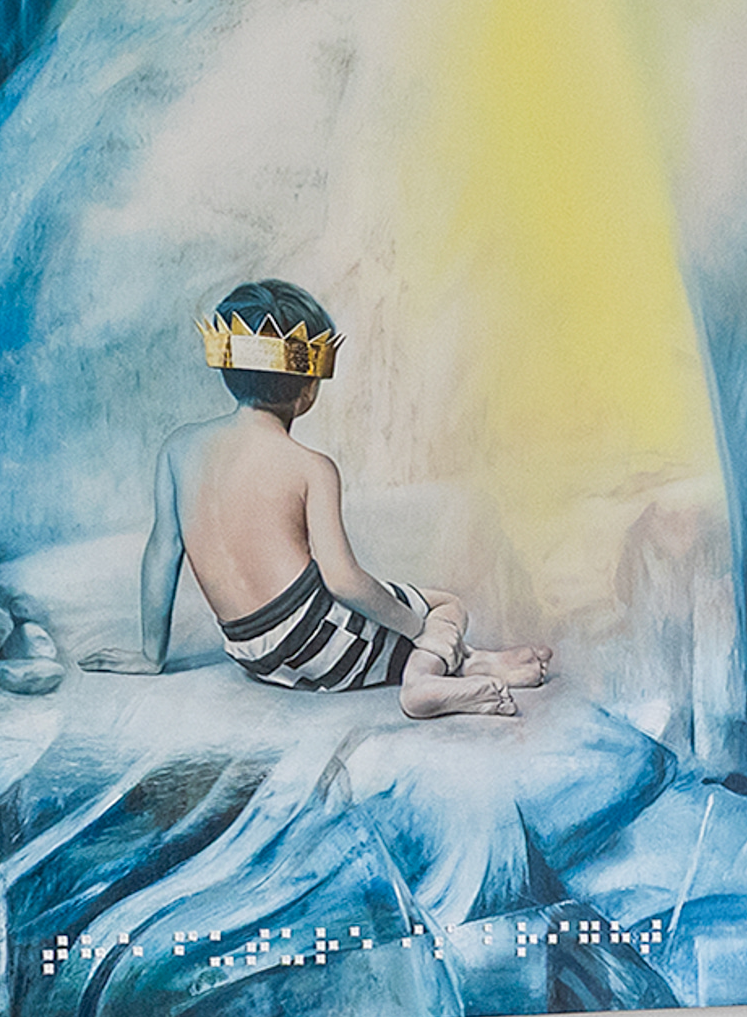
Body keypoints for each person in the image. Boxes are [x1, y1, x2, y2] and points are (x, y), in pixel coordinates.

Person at [176, 280, 543, 720]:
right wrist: (421, 629)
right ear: (308, 388)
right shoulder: (311, 466)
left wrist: (149, 655)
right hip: (319, 644)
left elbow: (163, 555)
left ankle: (472, 661)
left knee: (379, 622)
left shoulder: (178, 449)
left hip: (250, 654)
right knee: (445, 606)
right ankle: (423, 680)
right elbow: (343, 580)